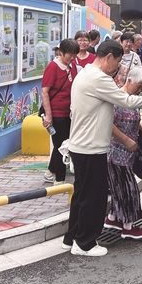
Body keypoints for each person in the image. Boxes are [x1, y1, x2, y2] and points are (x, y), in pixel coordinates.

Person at [63, 41, 142, 257]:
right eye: (117, 62)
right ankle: (85, 244)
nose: (117, 68)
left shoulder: (84, 73)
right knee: (93, 198)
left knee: (81, 195)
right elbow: (127, 101)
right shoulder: (99, 79)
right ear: (109, 57)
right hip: (91, 147)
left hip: (80, 145)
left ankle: (71, 238)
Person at [105, 67, 142, 240]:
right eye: (139, 86)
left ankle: (113, 218)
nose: (140, 90)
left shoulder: (131, 98)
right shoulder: (117, 98)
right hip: (117, 152)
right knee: (129, 189)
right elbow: (109, 124)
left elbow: (131, 116)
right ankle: (128, 226)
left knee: (119, 188)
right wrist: (126, 140)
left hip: (126, 153)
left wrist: (139, 127)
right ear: (129, 81)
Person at [41, 38, 80, 185]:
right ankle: (59, 180)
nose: (72, 58)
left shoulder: (72, 66)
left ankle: (50, 171)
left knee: (66, 144)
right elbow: (45, 92)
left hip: (69, 112)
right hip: (56, 113)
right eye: (70, 55)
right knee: (60, 146)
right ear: (61, 53)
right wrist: (49, 116)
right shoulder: (53, 67)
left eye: (75, 55)